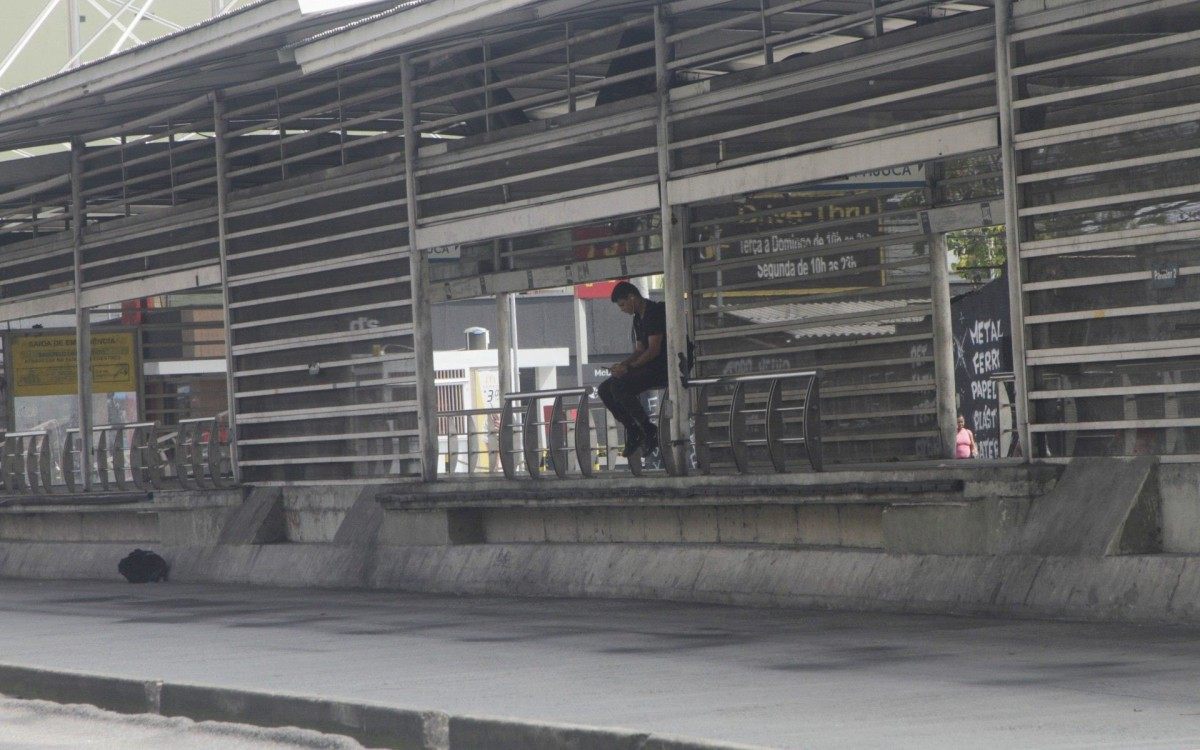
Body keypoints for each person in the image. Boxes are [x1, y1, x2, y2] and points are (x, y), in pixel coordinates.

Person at [598, 281, 668, 458]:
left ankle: (648, 429)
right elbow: (639, 350)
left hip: (662, 367)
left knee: (618, 387)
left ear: (632, 297)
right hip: (646, 366)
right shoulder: (638, 318)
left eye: (622, 304)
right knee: (604, 389)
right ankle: (633, 429)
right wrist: (622, 365)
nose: (622, 309)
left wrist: (628, 368)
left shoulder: (654, 313)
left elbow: (653, 350)